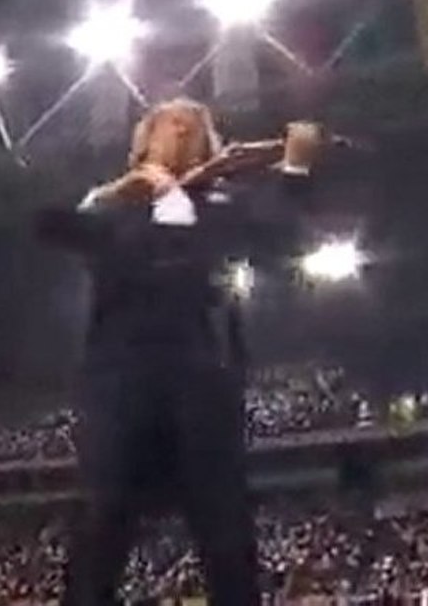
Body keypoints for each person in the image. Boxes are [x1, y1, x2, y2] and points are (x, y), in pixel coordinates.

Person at [36, 98, 324, 605]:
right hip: (121, 385)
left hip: (203, 380)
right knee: (101, 522)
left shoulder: (224, 205)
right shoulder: (118, 210)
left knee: (226, 531)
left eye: (195, 127)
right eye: (172, 123)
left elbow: (282, 241)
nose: (184, 130)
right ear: (144, 140)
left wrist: (295, 168)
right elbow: (49, 226)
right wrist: (108, 193)